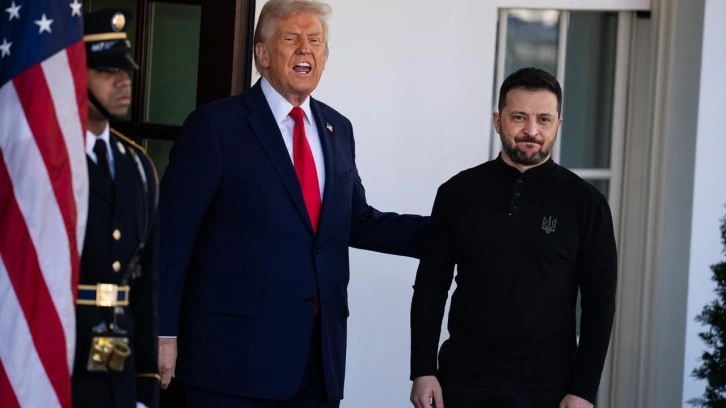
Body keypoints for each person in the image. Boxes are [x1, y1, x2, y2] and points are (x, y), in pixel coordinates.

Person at [156, 0, 428, 407]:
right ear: (262, 54)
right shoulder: (216, 127)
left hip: (316, 362)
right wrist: (163, 331)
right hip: (231, 363)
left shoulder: (338, 129)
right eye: (291, 39)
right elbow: (171, 238)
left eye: (315, 40)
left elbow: (355, 221)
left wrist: (454, 230)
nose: (306, 49)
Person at [409, 67, 617, 408]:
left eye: (544, 119)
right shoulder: (457, 193)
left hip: (549, 389)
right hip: (461, 383)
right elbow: (431, 286)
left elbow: (600, 302)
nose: (531, 131)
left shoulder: (587, 204)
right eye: (519, 117)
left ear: (558, 124)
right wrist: (423, 369)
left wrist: (583, 389)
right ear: (498, 120)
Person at [73, 8, 160, 408]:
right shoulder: (49, 161)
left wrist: (144, 385)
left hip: (116, 358)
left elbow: (144, 287)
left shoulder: (138, 165)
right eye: (108, 70)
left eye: (125, 69)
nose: (124, 80)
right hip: (55, 357)